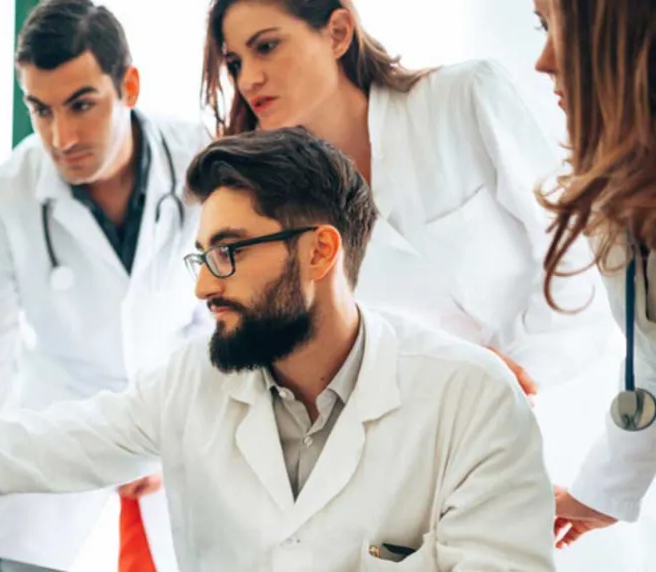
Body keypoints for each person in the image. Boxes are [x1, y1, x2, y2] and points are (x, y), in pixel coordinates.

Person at [0, 127, 557, 571]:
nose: (202, 287)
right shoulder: (197, 383)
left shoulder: (473, 402)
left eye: (228, 254)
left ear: (320, 252)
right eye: (201, 256)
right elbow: (40, 442)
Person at [201, 1, 630, 568]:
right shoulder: (269, 209)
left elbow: (577, 255)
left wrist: (499, 375)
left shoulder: (463, 98)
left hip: (569, 416)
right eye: (233, 61)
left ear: (337, 32)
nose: (247, 77)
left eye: (266, 45)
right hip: (417, 461)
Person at [0, 1, 212, 570]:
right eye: (40, 110)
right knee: (17, 561)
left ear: (130, 85)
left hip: (179, 411)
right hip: (61, 415)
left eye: (82, 105)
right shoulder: (8, 191)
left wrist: (185, 433)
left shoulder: (201, 158)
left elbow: (225, 320)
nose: (60, 136)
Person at [531, 0, 656, 552]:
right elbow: (652, 364)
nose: (543, 60)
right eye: (542, 28)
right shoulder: (620, 198)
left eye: (561, 29)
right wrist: (600, 491)